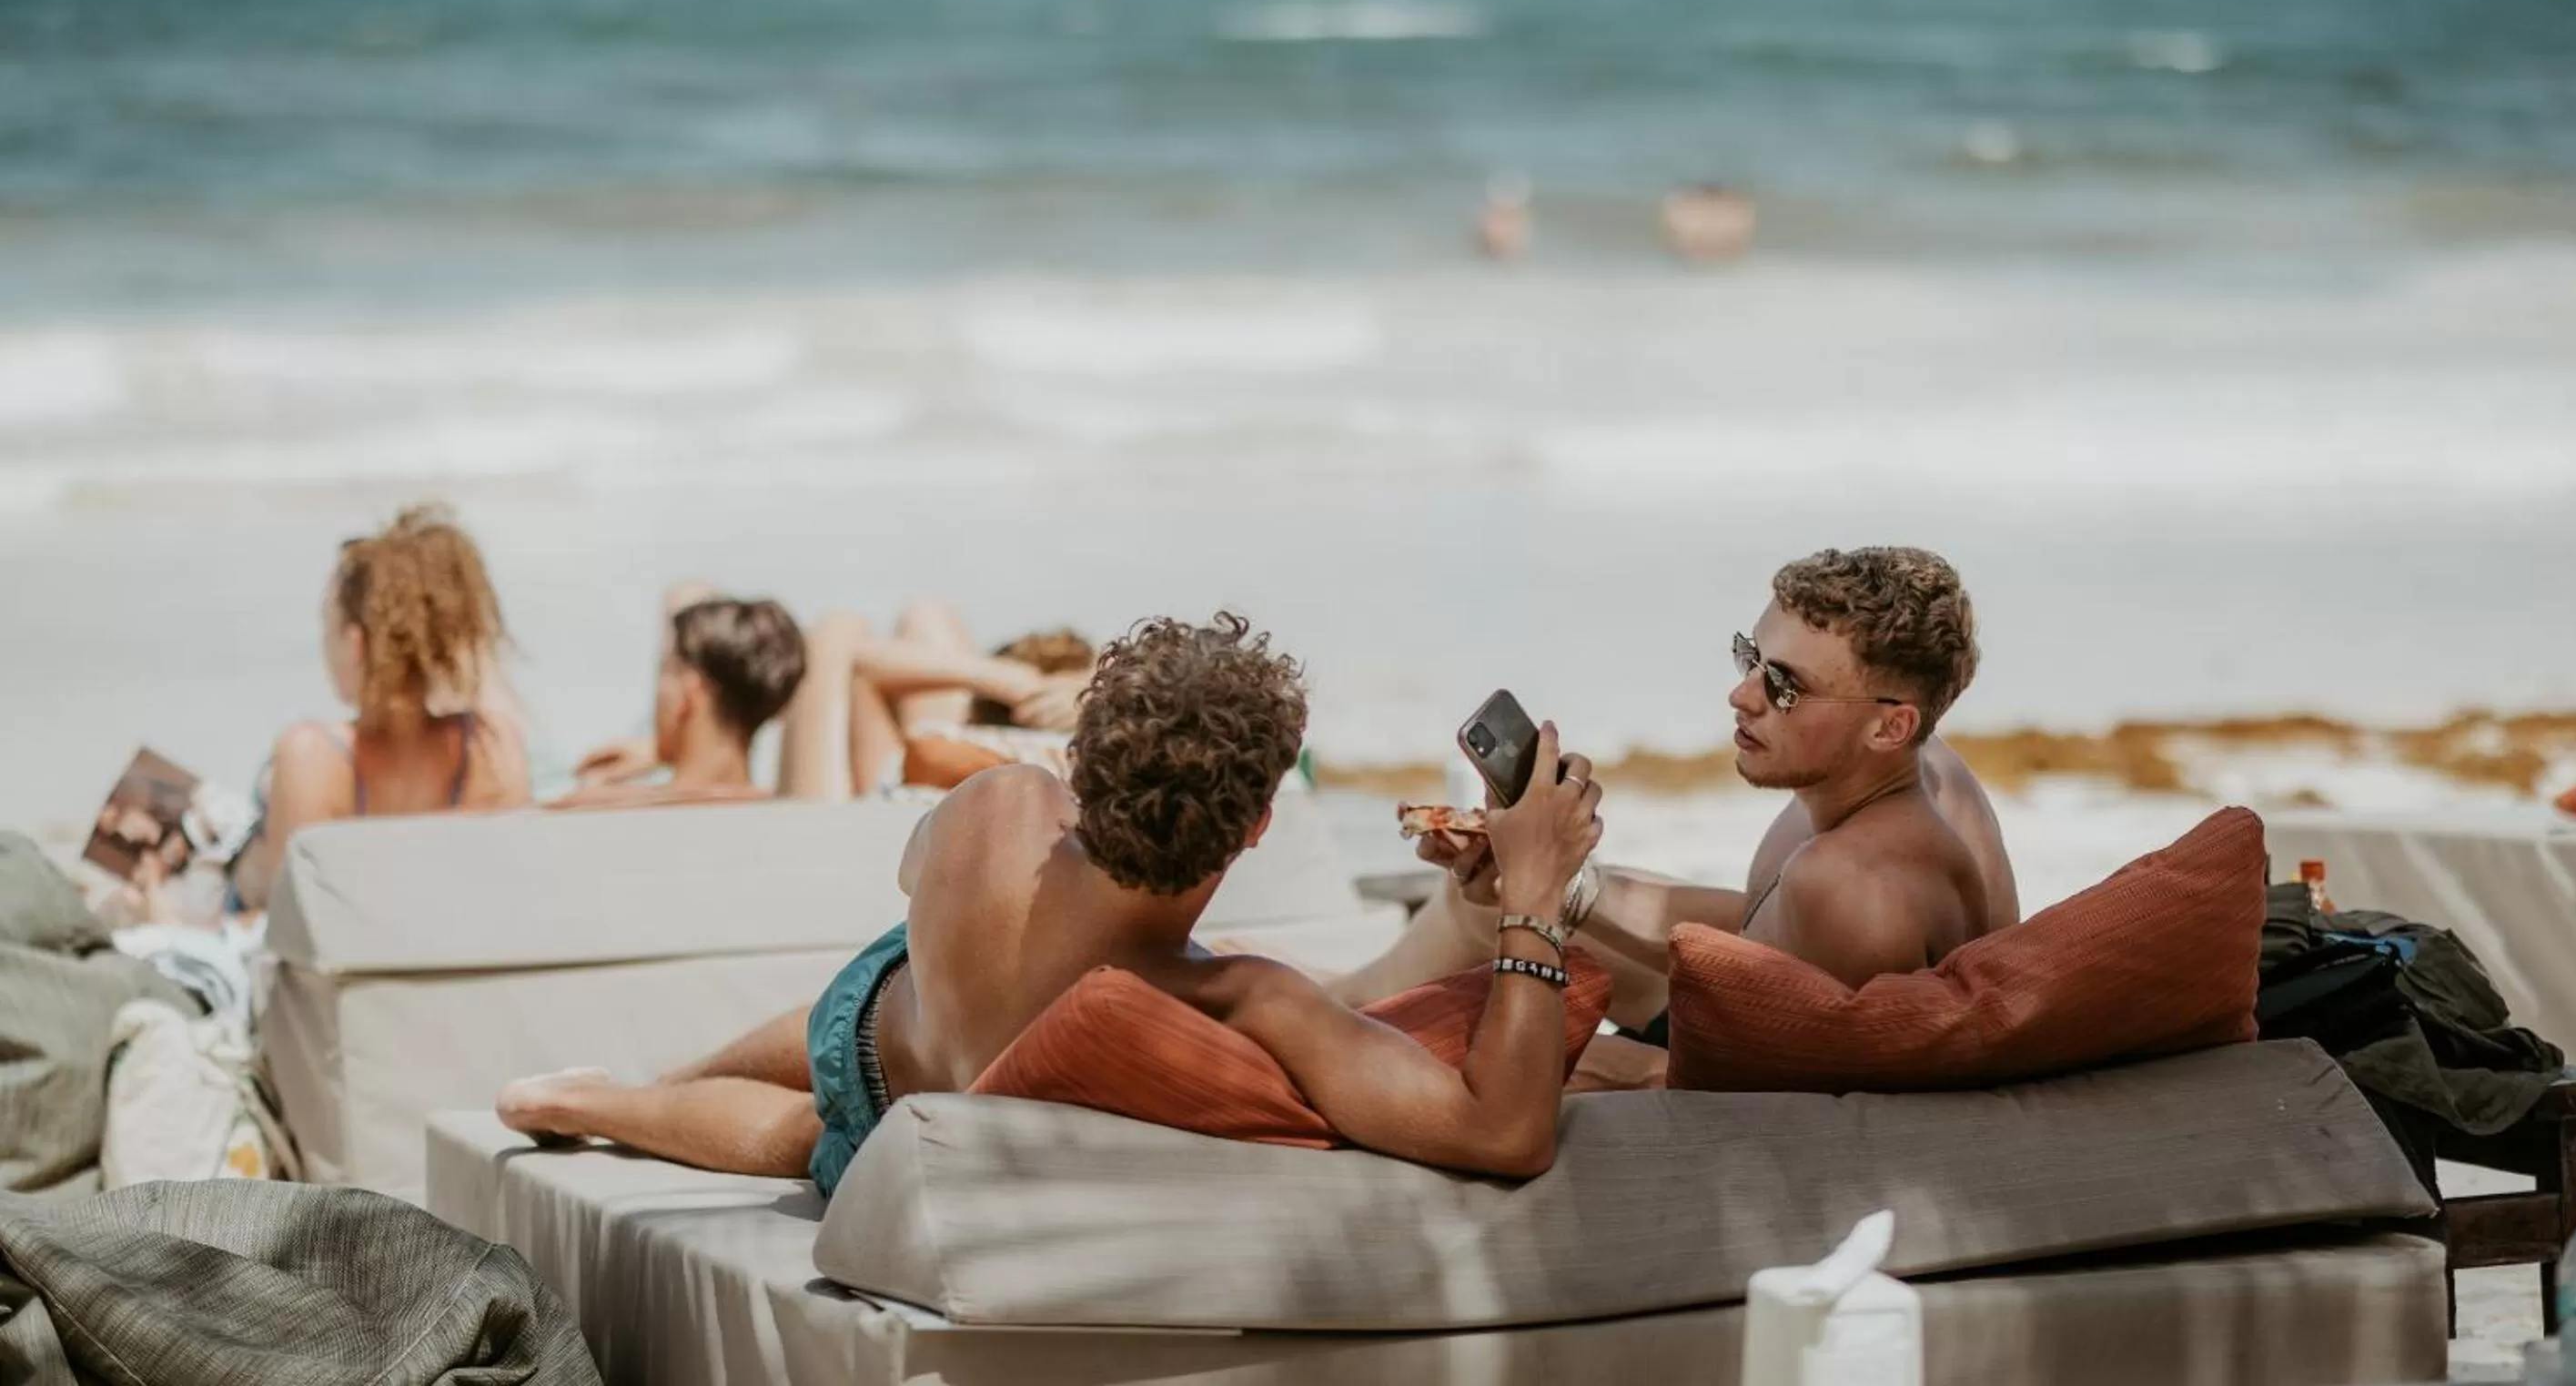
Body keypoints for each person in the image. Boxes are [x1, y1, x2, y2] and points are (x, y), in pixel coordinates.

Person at [498, 612, 1606, 1188]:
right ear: (1259, 822)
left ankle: (623, 1095)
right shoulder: (1235, 997)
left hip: (878, 1024)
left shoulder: (1002, 802)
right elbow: (1502, 1134)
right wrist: (1536, 899)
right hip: (908, 1126)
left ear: (1092, 753)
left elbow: (910, 875)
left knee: (884, 992)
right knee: (808, 1137)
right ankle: (600, 1105)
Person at [1340, 546, 2015, 1088]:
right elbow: (1764, 934)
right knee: (1488, 904)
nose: (1741, 694)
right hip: (1748, 1020)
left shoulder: (1853, 884)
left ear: (1889, 726)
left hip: (1730, 1075)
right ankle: (1343, 1007)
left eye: (1785, 687)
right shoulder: (1910, 772)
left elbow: (1808, 1115)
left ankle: (1332, 1031)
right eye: (1750, 659)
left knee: (1486, 998)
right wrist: (1560, 884)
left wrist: (1621, 1066)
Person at [227, 505, 530, 912]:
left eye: (327, 629)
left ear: (356, 645)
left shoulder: (313, 755)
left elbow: (291, 928)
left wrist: (165, 918)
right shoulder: (497, 748)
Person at [778, 600, 1096, 800]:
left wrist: (1010, 680)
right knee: (925, 616)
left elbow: (855, 660)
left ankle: (990, 677)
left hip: (897, 801)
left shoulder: (941, 745)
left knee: (836, 629)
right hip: (939, 781)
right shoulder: (1100, 749)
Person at [558, 586, 809, 808]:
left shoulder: (597, 806)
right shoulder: (783, 805)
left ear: (688, 691)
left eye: (664, 672)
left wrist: (594, 782)